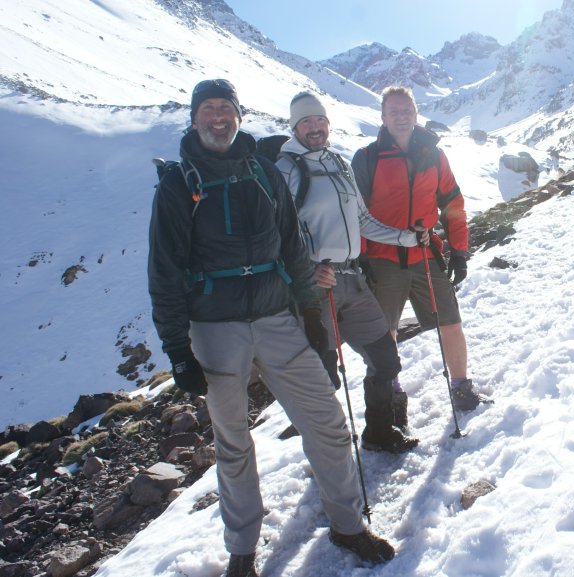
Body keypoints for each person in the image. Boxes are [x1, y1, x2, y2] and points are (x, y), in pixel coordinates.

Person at [148, 79, 394, 577]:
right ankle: (243, 551)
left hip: (278, 315)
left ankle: (347, 524)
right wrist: (177, 349)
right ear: (194, 118)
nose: (218, 117)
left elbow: (291, 245)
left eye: (226, 109)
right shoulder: (179, 181)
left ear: (238, 115)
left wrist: (310, 314)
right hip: (215, 327)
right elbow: (165, 268)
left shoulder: (263, 170)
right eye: (208, 110)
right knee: (233, 440)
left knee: (326, 420)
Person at [275, 91, 423, 454]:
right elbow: (276, 232)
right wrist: (309, 269)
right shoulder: (284, 170)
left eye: (320, 120)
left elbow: (361, 220)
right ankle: (331, 452)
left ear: (328, 123)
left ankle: (379, 432)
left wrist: (405, 238)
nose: (315, 127)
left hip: (354, 281)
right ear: (295, 127)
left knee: (385, 359)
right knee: (323, 376)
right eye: (306, 121)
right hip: (314, 290)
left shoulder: (338, 165)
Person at [352, 86, 488, 412]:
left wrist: (458, 251)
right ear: (383, 118)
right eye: (394, 111)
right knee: (386, 334)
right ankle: (391, 396)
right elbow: (353, 213)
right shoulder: (368, 157)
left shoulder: (433, 154)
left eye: (407, 110)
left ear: (416, 113)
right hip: (382, 258)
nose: (401, 116)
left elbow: (452, 202)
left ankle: (461, 386)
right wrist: (360, 258)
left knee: (450, 321)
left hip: (426, 253)